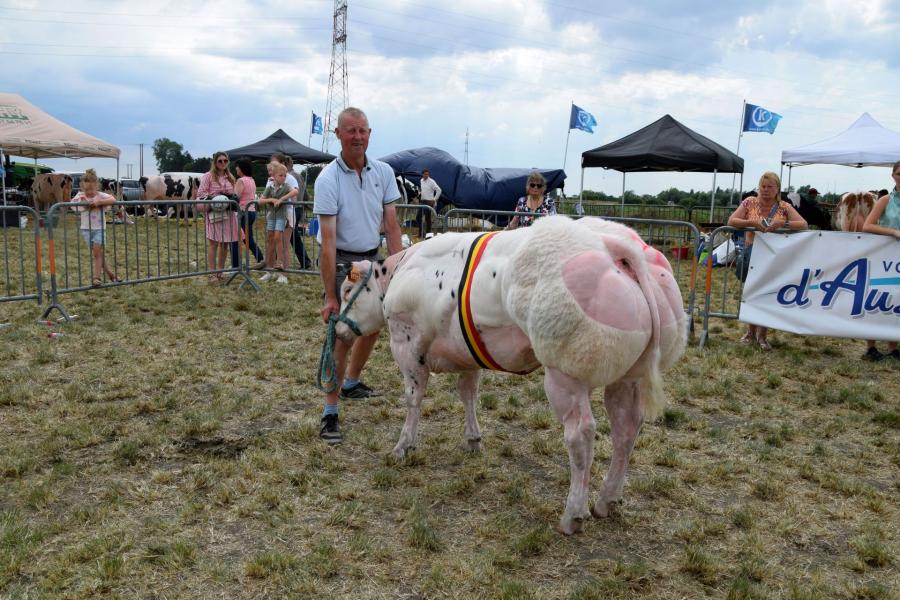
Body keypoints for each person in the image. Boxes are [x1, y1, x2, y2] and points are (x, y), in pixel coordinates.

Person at [314, 106, 402, 444]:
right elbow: (328, 243)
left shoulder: (383, 172)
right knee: (343, 335)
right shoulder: (328, 179)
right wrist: (332, 296)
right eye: (351, 131)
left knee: (374, 324)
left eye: (363, 130)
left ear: (370, 133)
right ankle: (330, 412)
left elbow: (392, 225)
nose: (358, 137)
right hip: (343, 263)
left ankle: (351, 382)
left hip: (372, 259)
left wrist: (398, 270)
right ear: (338, 134)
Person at [727, 171, 808, 350]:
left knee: (768, 294)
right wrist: (753, 224)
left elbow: (803, 224)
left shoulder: (784, 207)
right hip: (752, 252)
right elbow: (732, 220)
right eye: (763, 186)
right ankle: (750, 332)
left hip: (773, 256)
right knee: (751, 292)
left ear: (777, 189)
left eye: (770, 186)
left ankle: (763, 335)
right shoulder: (749, 202)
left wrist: (783, 224)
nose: (765, 190)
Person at [860, 160, 900, 361]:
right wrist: (893, 232)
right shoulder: (885, 200)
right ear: (893, 176)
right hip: (883, 257)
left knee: (897, 299)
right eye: (899, 173)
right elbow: (867, 226)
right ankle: (871, 347)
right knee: (876, 298)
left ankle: (894, 347)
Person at [70, 168, 119, 287]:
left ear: (97, 186)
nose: (89, 192)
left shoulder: (100, 195)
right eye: (86, 189)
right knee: (98, 254)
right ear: (82, 188)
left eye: (91, 189)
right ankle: (111, 274)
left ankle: (96, 278)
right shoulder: (80, 196)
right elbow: (72, 204)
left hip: (99, 229)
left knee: (97, 253)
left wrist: (99, 203)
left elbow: (113, 199)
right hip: (86, 229)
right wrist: (84, 204)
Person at [197, 151, 239, 283]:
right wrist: (215, 197)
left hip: (228, 214)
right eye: (220, 161)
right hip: (214, 213)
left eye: (225, 161)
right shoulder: (208, 176)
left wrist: (231, 197)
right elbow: (201, 194)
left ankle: (220, 272)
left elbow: (235, 193)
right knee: (213, 243)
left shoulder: (230, 177)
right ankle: (212, 273)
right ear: (215, 162)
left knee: (225, 243)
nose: (223, 163)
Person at [258, 162, 292, 284]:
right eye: (281, 175)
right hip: (272, 216)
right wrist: (271, 199)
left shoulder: (286, 186)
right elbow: (260, 201)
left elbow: (294, 192)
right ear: (275, 176)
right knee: (270, 240)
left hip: (281, 217)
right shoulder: (270, 187)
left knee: (279, 238)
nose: (283, 177)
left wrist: (282, 199)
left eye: (285, 175)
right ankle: (269, 270)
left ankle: (280, 264)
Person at [233, 157, 263, 266]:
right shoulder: (251, 180)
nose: (236, 169)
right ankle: (260, 258)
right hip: (251, 212)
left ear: (241, 168)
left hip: (242, 212)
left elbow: (236, 198)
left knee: (235, 238)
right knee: (248, 239)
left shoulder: (241, 181)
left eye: (237, 167)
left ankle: (235, 265)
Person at [419, 168, 442, 236]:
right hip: (422, 201)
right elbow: (424, 190)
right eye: (425, 174)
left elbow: (439, 190)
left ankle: (428, 234)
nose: (426, 175)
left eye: (427, 174)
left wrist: (434, 199)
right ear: (422, 174)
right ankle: (421, 233)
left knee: (427, 218)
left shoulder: (431, 181)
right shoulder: (421, 181)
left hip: (429, 202)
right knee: (418, 217)